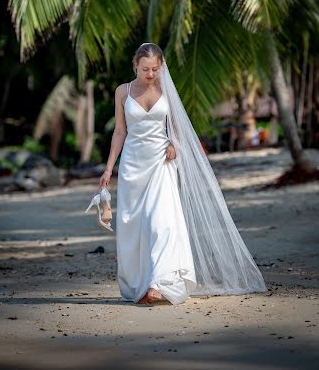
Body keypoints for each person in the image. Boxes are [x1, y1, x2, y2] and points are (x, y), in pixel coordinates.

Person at [99, 42, 267, 305]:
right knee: (135, 227)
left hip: (160, 163)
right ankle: (140, 284)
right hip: (132, 166)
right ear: (135, 66)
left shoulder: (167, 90)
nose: (151, 74)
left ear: (161, 67)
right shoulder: (123, 91)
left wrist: (172, 145)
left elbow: (178, 128)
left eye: (155, 69)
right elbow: (120, 132)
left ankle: (157, 283)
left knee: (160, 223)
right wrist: (109, 168)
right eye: (145, 69)